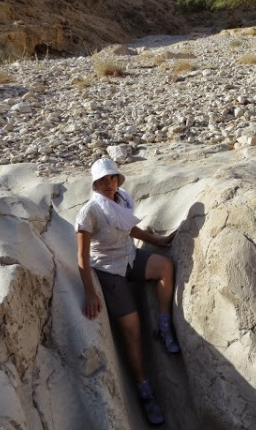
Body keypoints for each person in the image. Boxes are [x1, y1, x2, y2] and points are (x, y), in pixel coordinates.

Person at [75, 158, 179, 426]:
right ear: (95, 183)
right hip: (109, 270)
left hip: (130, 258)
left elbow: (128, 228)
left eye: (112, 178)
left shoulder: (121, 201)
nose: (109, 183)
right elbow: (83, 257)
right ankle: (145, 394)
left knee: (165, 267)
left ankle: (164, 326)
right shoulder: (89, 212)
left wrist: (158, 241)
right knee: (132, 330)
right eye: (103, 180)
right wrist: (89, 292)